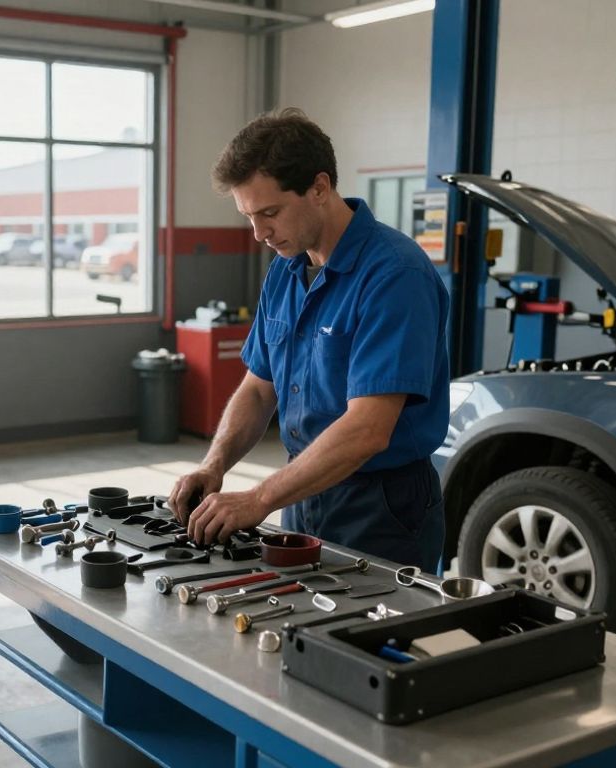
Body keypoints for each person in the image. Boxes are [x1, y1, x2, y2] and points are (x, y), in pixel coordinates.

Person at [168, 108, 450, 572]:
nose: (259, 233)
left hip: (381, 507)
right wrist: (214, 465)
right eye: (248, 217)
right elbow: (259, 388)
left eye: (270, 213)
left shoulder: (395, 275)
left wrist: (259, 497)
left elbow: (367, 430)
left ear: (319, 188)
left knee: (368, 642)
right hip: (301, 492)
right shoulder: (286, 269)